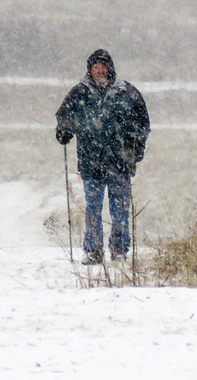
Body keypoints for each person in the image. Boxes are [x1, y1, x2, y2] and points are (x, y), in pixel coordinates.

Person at [56, 49, 150, 265]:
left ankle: (119, 251)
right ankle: (93, 251)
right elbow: (65, 118)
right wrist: (63, 132)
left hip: (120, 162)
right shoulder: (79, 93)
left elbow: (143, 124)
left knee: (120, 210)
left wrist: (135, 152)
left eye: (103, 67)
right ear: (90, 69)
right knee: (93, 209)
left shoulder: (127, 93)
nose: (99, 71)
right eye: (95, 67)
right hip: (91, 162)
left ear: (110, 69)